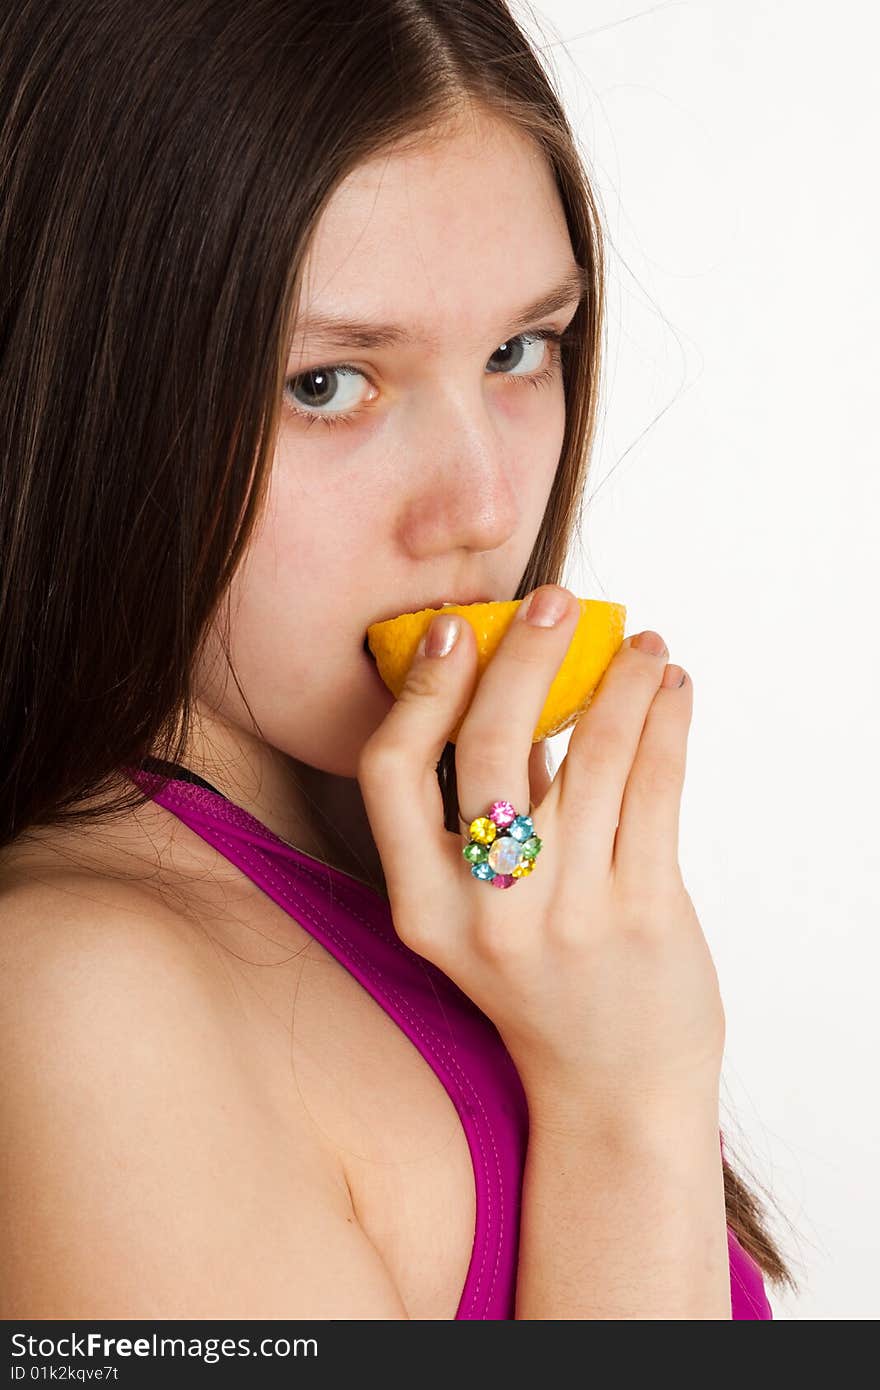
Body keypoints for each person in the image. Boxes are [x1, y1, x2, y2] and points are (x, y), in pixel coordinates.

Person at [0, 0, 796, 1318]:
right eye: (327, 383)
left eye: (517, 351)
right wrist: (626, 1108)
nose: (484, 505)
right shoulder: (81, 1014)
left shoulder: (483, 915)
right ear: (87, 384)